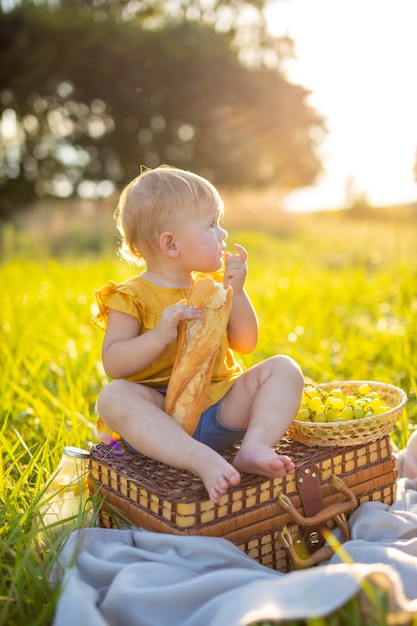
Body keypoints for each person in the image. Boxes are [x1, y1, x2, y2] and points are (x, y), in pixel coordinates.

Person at [93, 165, 304, 503]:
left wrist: (238, 292)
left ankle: (254, 446)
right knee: (113, 396)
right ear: (171, 244)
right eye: (210, 225)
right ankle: (197, 458)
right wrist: (159, 335)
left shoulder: (214, 290)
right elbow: (114, 363)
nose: (222, 234)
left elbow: (246, 344)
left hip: (219, 407)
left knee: (284, 368)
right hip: (159, 422)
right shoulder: (130, 297)